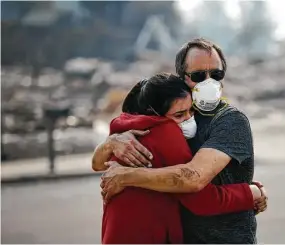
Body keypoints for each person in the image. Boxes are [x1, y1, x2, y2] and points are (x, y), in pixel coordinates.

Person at [94, 38, 268, 244]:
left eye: (216, 74)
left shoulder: (229, 120)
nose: (209, 82)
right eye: (198, 76)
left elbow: (192, 179)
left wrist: (127, 176)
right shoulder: (161, 123)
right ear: (181, 79)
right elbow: (98, 163)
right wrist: (111, 142)